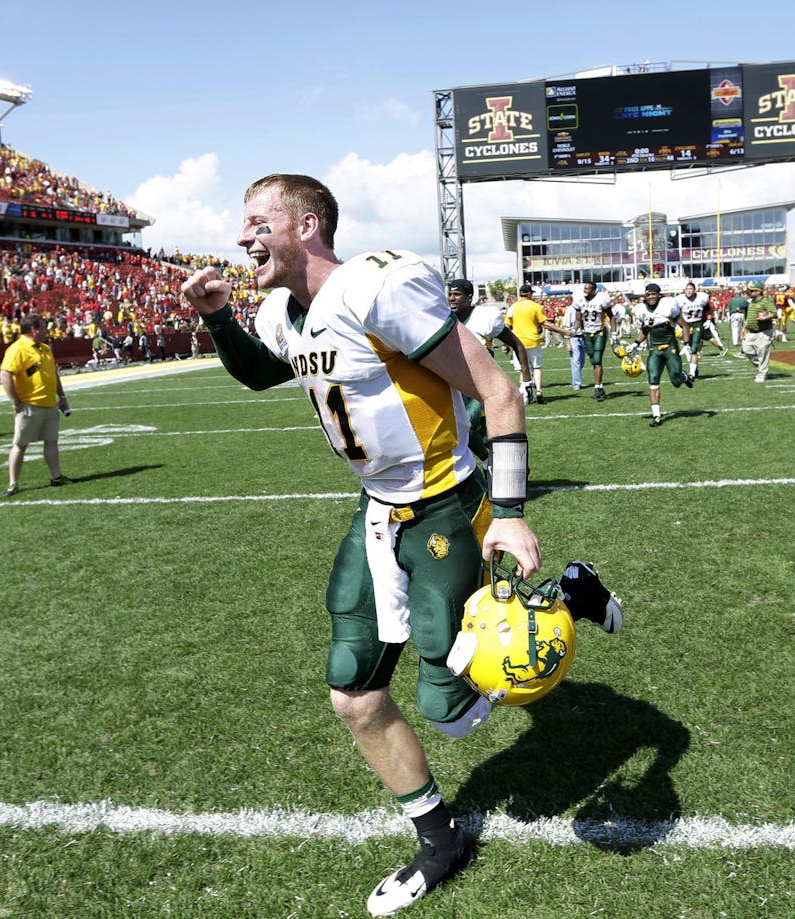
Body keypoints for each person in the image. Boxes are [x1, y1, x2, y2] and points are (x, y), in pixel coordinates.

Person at [180, 173, 622, 916]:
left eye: (259, 220)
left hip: (445, 501)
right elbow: (262, 371)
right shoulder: (282, 311)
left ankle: (563, 592)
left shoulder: (375, 287)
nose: (242, 235)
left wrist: (509, 512)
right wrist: (222, 319)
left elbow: (500, 390)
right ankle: (439, 839)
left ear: (309, 225)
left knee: (448, 707)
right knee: (353, 693)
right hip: (377, 509)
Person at [447, 278, 532, 456]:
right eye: (450, 294)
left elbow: (517, 344)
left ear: (469, 297)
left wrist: (526, 379)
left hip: (482, 384)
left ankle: (497, 464)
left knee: (472, 427)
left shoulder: (485, 317)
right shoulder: (444, 318)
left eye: (457, 294)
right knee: (465, 431)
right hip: (455, 386)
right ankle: (493, 464)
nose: (452, 298)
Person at [0, 313, 72, 496]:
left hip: (49, 405)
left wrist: (61, 396)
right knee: (20, 444)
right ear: (34, 329)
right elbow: (5, 374)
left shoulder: (45, 348)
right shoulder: (18, 349)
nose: (47, 329)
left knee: (51, 442)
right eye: (43, 326)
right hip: (29, 406)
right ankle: (13, 483)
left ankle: (56, 476)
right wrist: (15, 402)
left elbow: (53, 374)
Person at [633, 283, 694, 426]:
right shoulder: (641, 310)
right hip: (654, 349)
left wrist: (686, 344)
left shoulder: (668, 306)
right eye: (648, 294)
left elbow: (684, 326)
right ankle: (657, 416)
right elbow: (645, 330)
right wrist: (636, 343)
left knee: (676, 381)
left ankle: (684, 376)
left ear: (659, 295)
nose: (650, 297)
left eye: (653, 294)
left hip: (670, 347)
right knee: (653, 380)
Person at [505, 283, 558, 404]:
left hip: (517, 342)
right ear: (528, 294)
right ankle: (539, 390)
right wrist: (564, 331)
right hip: (533, 341)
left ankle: (525, 393)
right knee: (536, 367)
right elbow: (544, 323)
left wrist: (505, 344)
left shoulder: (512, 307)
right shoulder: (535, 306)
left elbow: (507, 326)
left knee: (523, 369)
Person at [562, 281, 614, 399]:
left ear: (594, 290)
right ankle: (600, 386)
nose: (585, 291)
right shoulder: (580, 300)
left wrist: (614, 332)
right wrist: (574, 330)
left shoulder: (602, 299)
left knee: (596, 360)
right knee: (593, 360)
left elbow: (611, 316)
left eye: (588, 289)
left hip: (599, 332)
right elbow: (578, 320)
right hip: (586, 333)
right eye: (585, 288)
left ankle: (596, 388)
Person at [672, 282, 712, 378]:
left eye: (690, 289)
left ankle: (692, 374)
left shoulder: (702, 297)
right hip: (685, 326)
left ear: (694, 290)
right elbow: (675, 312)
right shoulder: (679, 299)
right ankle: (694, 368)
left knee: (694, 348)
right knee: (688, 348)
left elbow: (708, 308)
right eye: (687, 289)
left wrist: (709, 319)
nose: (688, 291)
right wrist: (676, 324)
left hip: (697, 324)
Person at [739, 281, 777, 382]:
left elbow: (774, 313)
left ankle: (762, 373)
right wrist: (744, 328)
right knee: (747, 350)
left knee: (763, 352)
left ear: (758, 291)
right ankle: (761, 368)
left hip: (763, 332)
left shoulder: (766, 301)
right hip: (751, 332)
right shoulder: (751, 301)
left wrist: (765, 317)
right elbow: (750, 316)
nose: (750, 292)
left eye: (752, 290)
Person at [727, 285, 749, 350]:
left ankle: (735, 342)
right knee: (741, 328)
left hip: (734, 314)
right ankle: (742, 339)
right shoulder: (743, 300)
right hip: (742, 315)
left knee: (734, 328)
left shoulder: (732, 300)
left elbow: (729, 308)